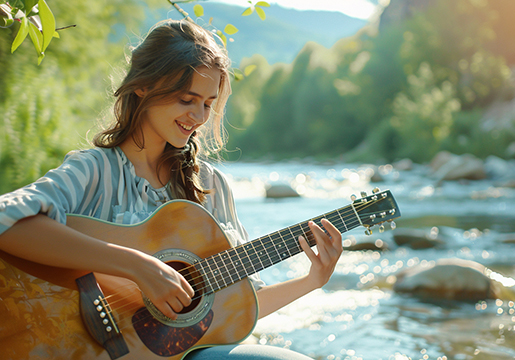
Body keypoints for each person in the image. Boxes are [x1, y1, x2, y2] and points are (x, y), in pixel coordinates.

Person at [0, 19, 342, 359]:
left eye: (207, 104)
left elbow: (233, 311)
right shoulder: (93, 169)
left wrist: (311, 281)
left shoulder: (209, 186)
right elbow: (7, 221)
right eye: (186, 99)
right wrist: (135, 265)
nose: (198, 116)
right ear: (143, 87)